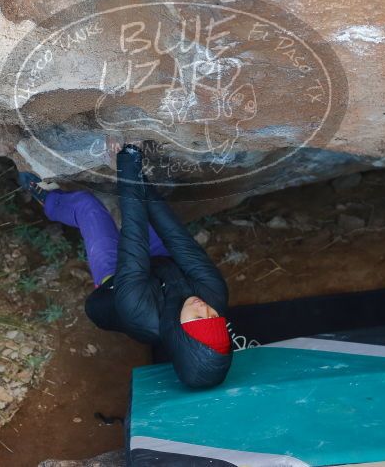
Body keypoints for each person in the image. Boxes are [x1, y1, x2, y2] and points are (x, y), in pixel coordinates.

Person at [19, 144, 232, 387]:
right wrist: (136, 174)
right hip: (163, 268)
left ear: (179, 333)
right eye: (213, 315)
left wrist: (127, 158)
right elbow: (177, 237)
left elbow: (135, 238)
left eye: (197, 318)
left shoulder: (139, 310)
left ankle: (50, 199)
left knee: (88, 208)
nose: (204, 307)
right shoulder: (214, 294)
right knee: (145, 210)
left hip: (119, 282)